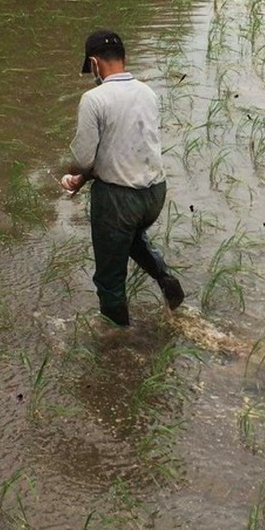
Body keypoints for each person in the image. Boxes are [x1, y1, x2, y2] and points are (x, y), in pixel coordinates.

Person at [60, 30, 184, 326]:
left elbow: (84, 160)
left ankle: (118, 342)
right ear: (124, 58)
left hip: (119, 199)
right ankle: (166, 279)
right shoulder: (148, 92)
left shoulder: (94, 99)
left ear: (94, 64)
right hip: (155, 193)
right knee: (130, 238)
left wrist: (74, 178)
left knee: (109, 278)